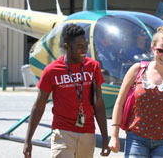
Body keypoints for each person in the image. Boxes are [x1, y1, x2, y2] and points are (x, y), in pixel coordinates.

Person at [108, 26, 163, 158]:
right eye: (160, 50)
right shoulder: (137, 70)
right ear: (153, 48)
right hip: (137, 139)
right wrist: (114, 136)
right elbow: (119, 103)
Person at [23, 24, 110, 158]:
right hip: (62, 132)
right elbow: (39, 105)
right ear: (67, 47)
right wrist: (28, 140)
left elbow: (98, 103)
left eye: (85, 45)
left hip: (88, 133)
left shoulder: (93, 67)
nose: (84, 50)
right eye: (80, 47)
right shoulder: (52, 71)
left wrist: (105, 138)